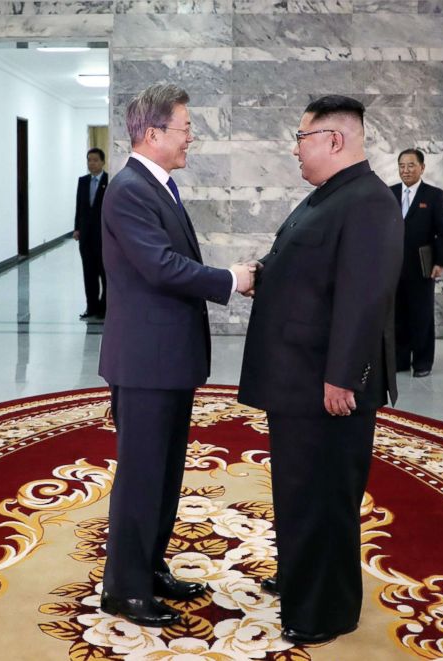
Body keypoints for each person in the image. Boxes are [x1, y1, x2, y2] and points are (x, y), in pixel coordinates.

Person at [238, 95, 403, 645]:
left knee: (326, 496)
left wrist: (343, 376)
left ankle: (324, 610)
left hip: (326, 386)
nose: (295, 149)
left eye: (302, 137)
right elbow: (310, 269)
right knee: (298, 489)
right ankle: (299, 578)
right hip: (298, 379)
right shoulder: (330, 196)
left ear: (335, 139)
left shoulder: (368, 201)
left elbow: (364, 298)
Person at [98, 83, 256, 627]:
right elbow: (162, 267)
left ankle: (150, 566)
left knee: (165, 473)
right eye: (186, 128)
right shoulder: (128, 190)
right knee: (142, 476)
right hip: (145, 362)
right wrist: (229, 279)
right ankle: (124, 587)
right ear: (152, 133)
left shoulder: (156, 185)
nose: (192, 138)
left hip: (165, 359)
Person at [390, 148, 443, 377]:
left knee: (421, 314)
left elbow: (442, 232)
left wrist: (441, 262)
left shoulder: (434, 195)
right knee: (397, 313)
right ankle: (400, 360)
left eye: (411, 165)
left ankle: (423, 363)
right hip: (394, 266)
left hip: (422, 265)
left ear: (422, 168)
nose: (406, 170)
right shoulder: (390, 193)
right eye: (402, 166)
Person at [74, 148, 109, 320]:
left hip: (103, 237)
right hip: (86, 237)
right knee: (89, 274)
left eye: (95, 160)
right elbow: (79, 207)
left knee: (105, 274)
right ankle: (91, 307)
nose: (92, 163)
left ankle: (104, 308)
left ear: (103, 162)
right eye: (89, 160)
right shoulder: (83, 181)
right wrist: (77, 228)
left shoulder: (109, 180)